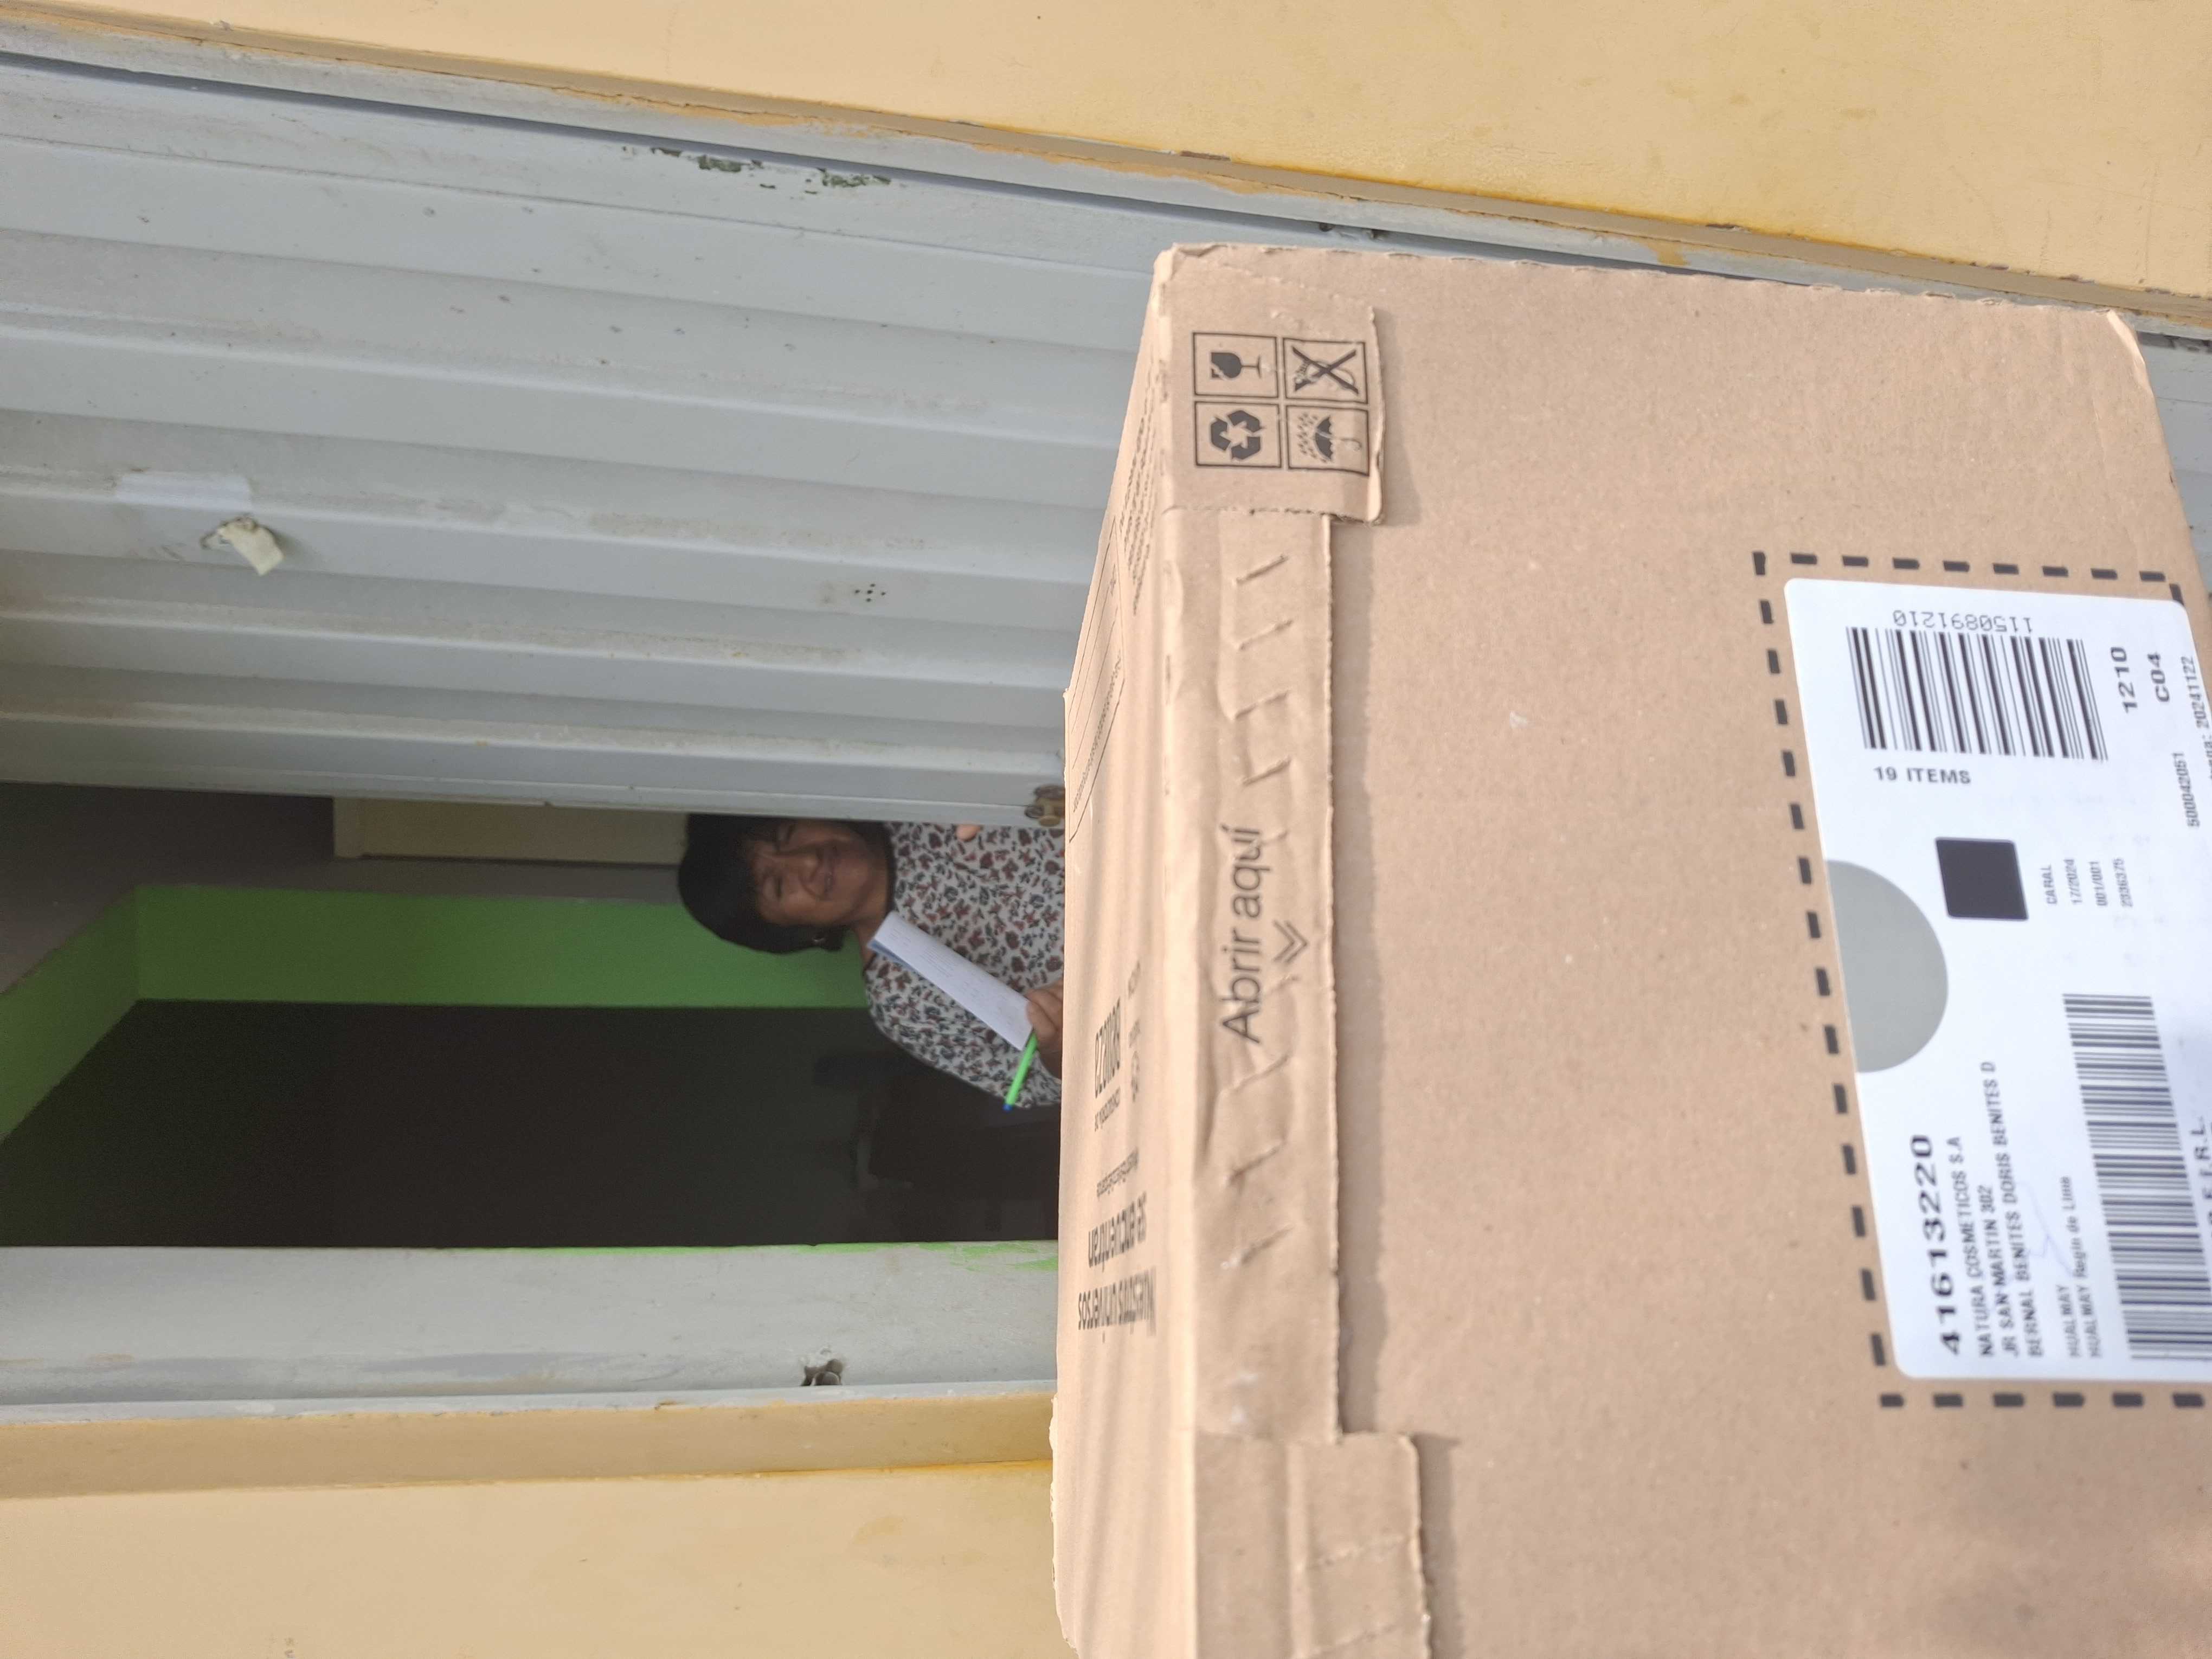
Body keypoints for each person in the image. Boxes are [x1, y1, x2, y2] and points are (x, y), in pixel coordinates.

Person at [679, 816, 1065, 1108]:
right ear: (794, 931)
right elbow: (1034, 1087)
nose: (808, 860)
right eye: (779, 885)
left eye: (787, 836)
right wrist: (1055, 1047)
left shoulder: (919, 808)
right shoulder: (900, 1000)